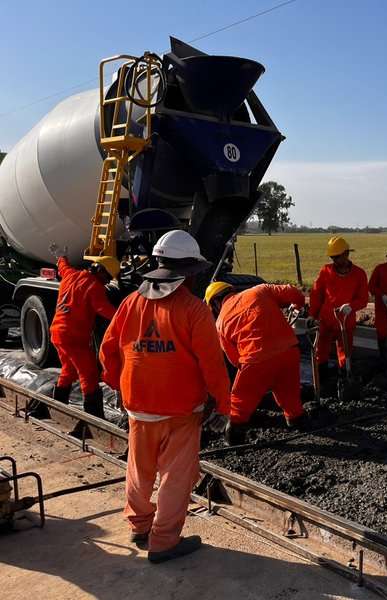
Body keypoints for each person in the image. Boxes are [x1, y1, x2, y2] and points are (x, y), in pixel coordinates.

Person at [99, 230, 231, 564]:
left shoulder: (130, 303)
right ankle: (164, 541)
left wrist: (119, 384)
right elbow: (213, 364)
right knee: (176, 477)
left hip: (138, 408)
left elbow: (107, 349)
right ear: (188, 271)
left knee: (139, 470)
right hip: (181, 411)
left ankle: (140, 525)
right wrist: (223, 404)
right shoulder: (194, 310)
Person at [205, 281, 308, 445]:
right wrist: (298, 305)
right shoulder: (259, 290)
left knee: (240, 402)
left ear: (215, 304)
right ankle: (297, 421)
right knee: (289, 394)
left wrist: (254, 378)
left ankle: (233, 438)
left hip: (255, 360)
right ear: (231, 290)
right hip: (289, 351)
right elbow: (293, 292)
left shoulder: (220, 323)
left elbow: (234, 359)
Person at [41, 244, 119, 420]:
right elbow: (104, 309)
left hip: (57, 333)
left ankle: (58, 404)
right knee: (89, 373)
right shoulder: (94, 286)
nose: (107, 282)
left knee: (69, 369)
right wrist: (126, 316)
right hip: (73, 337)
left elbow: (63, 268)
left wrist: (61, 256)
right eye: (107, 277)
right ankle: (94, 417)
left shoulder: (72, 275)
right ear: (101, 271)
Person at [308, 236, 368, 383]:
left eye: (337, 257)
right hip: (326, 319)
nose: (334, 260)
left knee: (345, 352)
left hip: (346, 320)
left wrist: (351, 307)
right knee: (321, 351)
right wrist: (312, 315)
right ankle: (322, 380)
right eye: (332, 257)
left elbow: (363, 299)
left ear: (346, 254)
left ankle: (344, 378)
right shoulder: (325, 271)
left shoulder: (359, 274)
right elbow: (316, 294)